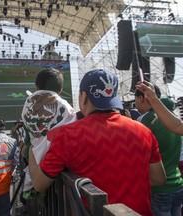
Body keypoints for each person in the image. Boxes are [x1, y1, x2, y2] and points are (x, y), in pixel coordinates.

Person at [28, 69, 166, 216]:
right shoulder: (143, 131)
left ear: (84, 97)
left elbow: (39, 184)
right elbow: (159, 178)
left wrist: (32, 150)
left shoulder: (68, 135)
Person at [21, 68, 77, 196]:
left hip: (35, 167)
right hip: (59, 171)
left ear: (36, 86)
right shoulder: (66, 107)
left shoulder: (27, 104)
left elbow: (28, 139)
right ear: (60, 90)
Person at [135, 86, 183, 216]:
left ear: (140, 98)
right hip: (177, 184)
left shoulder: (145, 121)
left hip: (158, 189)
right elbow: (177, 126)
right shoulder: (172, 119)